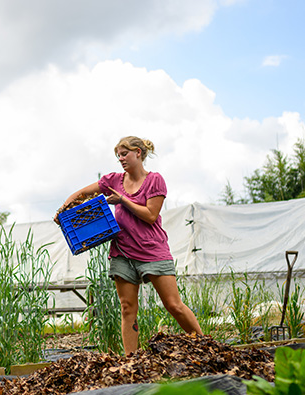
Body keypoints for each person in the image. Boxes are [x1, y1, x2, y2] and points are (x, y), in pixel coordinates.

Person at [56, 136, 203, 355]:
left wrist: (123, 200)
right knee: (127, 308)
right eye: (118, 156)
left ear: (138, 153)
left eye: (124, 154)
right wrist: (63, 210)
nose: (121, 159)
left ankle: (205, 345)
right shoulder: (113, 180)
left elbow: (151, 216)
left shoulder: (155, 180)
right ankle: (130, 360)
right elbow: (82, 193)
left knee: (173, 305)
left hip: (152, 250)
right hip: (122, 252)